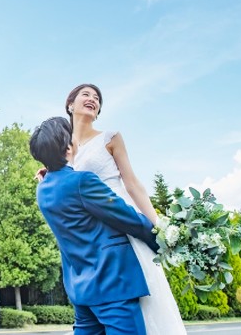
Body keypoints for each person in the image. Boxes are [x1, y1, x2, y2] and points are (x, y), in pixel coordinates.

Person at [65, 83, 187, 334]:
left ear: (98, 110)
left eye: (97, 98)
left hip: (121, 219)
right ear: (70, 104)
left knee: (139, 295)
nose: (92, 99)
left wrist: (158, 225)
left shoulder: (110, 138)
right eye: (85, 95)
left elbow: (132, 184)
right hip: (88, 231)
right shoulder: (62, 147)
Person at [30, 117, 159, 335]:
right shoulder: (82, 181)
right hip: (112, 283)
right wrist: (161, 240)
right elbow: (127, 217)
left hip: (80, 287)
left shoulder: (42, 190)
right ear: (69, 148)